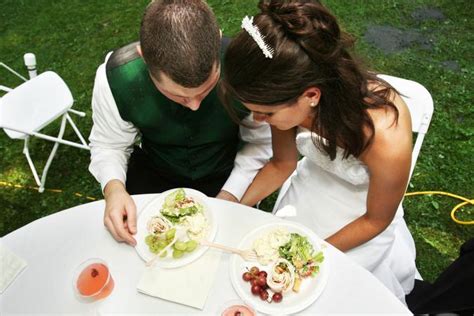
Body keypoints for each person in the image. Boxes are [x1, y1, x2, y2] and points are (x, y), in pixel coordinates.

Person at [220, 0, 417, 302]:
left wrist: (310, 254)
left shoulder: (384, 136)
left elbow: (376, 220)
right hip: (310, 191)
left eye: (266, 114)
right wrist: (233, 206)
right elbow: (281, 164)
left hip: (361, 218)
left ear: (311, 95)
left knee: (322, 294)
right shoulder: (283, 92)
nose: (258, 121)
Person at [88, 0, 271, 247]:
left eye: (206, 89)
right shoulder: (115, 77)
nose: (194, 105)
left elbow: (260, 143)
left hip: (227, 172)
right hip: (155, 175)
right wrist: (114, 189)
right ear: (144, 56)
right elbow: (109, 145)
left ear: (217, 40)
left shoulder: (246, 69)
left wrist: (231, 194)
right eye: (178, 95)